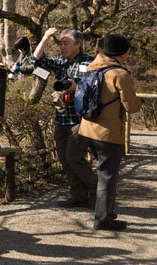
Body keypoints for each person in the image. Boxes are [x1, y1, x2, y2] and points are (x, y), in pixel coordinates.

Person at [26, 27, 98, 208]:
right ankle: (78, 195)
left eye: (66, 43)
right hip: (61, 116)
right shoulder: (59, 62)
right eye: (60, 43)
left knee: (74, 157)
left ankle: (99, 191)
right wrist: (45, 38)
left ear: (78, 44)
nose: (62, 46)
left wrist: (78, 88)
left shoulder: (91, 62)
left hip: (81, 118)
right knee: (65, 160)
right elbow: (33, 60)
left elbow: (97, 87)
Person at [78, 34, 143, 231]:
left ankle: (105, 212)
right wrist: (140, 101)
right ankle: (103, 220)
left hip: (87, 129)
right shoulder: (120, 75)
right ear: (123, 53)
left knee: (102, 173)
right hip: (108, 134)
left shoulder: (92, 67)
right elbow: (131, 106)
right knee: (107, 176)